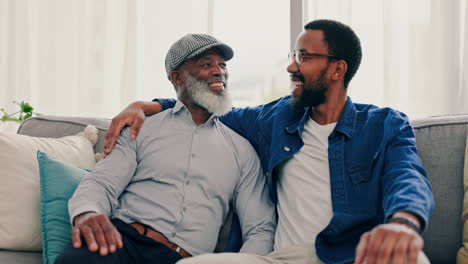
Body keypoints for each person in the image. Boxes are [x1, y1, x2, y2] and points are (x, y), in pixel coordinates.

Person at [103, 20, 434, 264]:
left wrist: (403, 223)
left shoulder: (384, 125)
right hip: (281, 259)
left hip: (355, 253)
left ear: (336, 69)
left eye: (304, 57)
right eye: (294, 55)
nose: (291, 66)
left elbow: (407, 178)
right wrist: (152, 105)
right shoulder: (275, 118)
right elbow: (204, 107)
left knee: (413, 259)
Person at [55, 34, 276, 264]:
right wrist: (88, 212)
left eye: (222, 65)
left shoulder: (241, 151)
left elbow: (260, 227)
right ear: (177, 77)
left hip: (183, 260)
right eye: (206, 64)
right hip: (123, 242)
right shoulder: (141, 129)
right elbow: (102, 183)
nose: (219, 71)